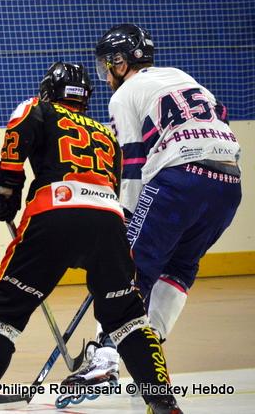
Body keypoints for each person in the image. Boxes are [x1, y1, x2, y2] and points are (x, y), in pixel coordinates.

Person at [0, 62, 182, 414]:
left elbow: (16, 141)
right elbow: (112, 187)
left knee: (5, 311)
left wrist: (7, 185)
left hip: (53, 215)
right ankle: (161, 401)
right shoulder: (106, 134)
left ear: (49, 90)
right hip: (108, 222)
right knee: (128, 318)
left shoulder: (37, 108)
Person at [63, 24, 242, 387]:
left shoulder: (125, 94)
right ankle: (148, 353)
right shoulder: (184, 78)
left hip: (179, 180)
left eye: (107, 65)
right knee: (179, 268)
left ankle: (106, 357)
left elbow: (132, 163)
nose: (106, 74)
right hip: (228, 184)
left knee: (126, 267)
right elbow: (220, 117)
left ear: (120, 62)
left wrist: (125, 218)